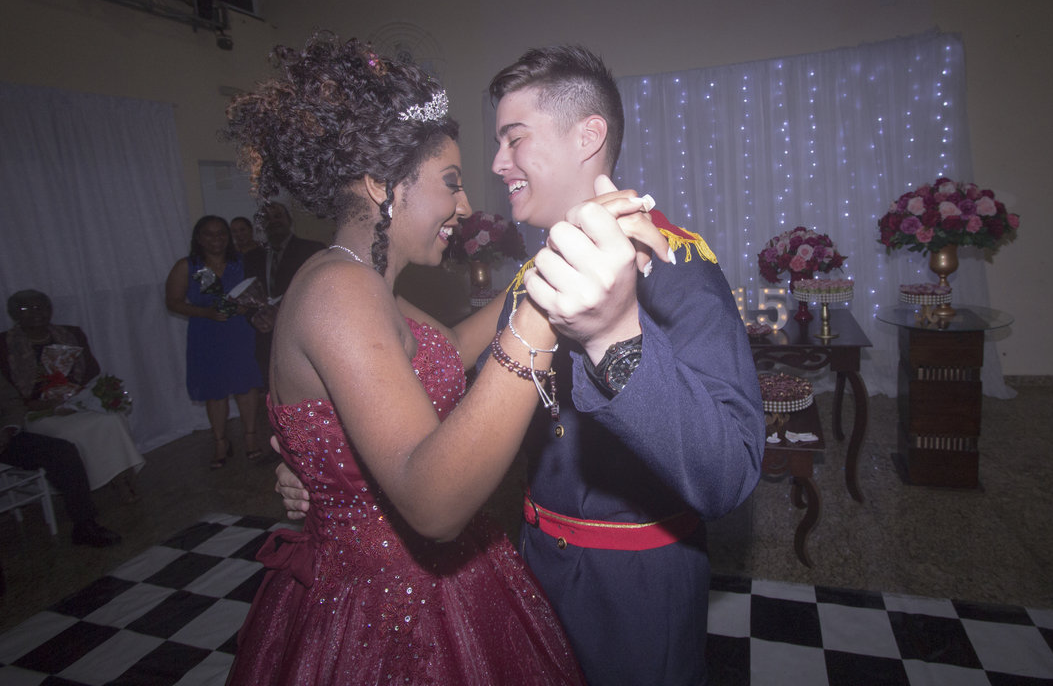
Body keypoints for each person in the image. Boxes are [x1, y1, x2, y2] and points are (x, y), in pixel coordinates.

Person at [279, 44, 764, 685]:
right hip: (532, 564)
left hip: (634, 589)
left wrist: (618, 337)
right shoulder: (529, 279)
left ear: (588, 137)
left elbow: (729, 474)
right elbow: (461, 393)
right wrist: (333, 455)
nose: (496, 163)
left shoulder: (674, 265)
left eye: (514, 138)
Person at [222, 33, 660, 685]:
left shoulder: (367, 286)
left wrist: (547, 265)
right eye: (451, 184)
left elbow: (449, 350)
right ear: (382, 184)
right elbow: (432, 504)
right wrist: (544, 313)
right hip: (384, 610)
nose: (464, 207)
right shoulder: (338, 291)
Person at [1, 290, 144, 502]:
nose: (36, 312)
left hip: (74, 402)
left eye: (41, 307)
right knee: (73, 433)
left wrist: (76, 396)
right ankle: (85, 486)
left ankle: (120, 478)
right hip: (32, 411)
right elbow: (6, 395)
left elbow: (91, 372)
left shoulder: (70, 333)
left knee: (112, 419)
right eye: (26, 309)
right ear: (14, 314)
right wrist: (35, 404)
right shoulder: (4, 345)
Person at [166, 216, 264, 466]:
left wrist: (247, 305)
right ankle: (220, 441)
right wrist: (205, 312)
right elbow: (172, 302)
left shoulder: (242, 261)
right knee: (214, 389)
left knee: (246, 384)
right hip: (206, 333)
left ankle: (250, 435)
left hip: (239, 332)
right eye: (209, 234)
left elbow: (260, 292)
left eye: (221, 233)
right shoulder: (187, 266)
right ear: (198, 238)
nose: (216, 238)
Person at [1, 372, 122, 546]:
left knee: (63, 451)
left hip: (4, 438)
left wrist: (8, 430)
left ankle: (84, 525)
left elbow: (11, 402)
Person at [242, 202, 325, 388]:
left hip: (301, 333)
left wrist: (281, 313)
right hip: (266, 338)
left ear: (289, 220)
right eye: (267, 218)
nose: (273, 221)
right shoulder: (252, 257)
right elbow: (248, 294)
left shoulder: (313, 250)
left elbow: (319, 292)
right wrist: (255, 318)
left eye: (278, 216)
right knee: (271, 391)